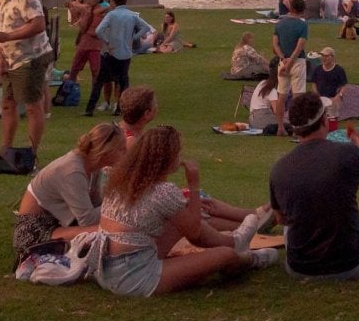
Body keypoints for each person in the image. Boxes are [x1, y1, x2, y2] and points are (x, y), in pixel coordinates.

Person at [91, 125, 276, 295]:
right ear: (167, 159)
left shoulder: (121, 180)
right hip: (132, 278)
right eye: (177, 153)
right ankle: (249, 258)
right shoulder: (162, 191)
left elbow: (186, 225)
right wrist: (193, 185)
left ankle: (235, 242)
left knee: (182, 217)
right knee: (224, 255)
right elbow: (194, 231)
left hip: (106, 267)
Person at [269, 92, 359, 280]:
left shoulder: (279, 168)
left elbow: (281, 219)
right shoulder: (347, 153)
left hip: (298, 267)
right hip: (348, 265)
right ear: (324, 120)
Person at [13, 122, 129, 264]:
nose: (126, 154)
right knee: (107, 232)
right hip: (34, 231)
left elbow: (97, 206)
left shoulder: (92, 165)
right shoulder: (73, 171)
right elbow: (88, 220)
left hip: (55, 224)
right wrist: (120, 203)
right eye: (122, 150)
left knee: (115, 227)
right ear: (107, 151)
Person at [0, 0, 53, 171]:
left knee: (33, 106)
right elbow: (1, 27)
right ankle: (6, 149)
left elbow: (38, 24)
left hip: (30, 57)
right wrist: (1, 55)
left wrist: (7, 36)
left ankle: (32, 153)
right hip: (11, 59)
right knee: (8, 104)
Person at [92, 0, 153, 118]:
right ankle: (119, 105)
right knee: (122, 80)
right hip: (125, 52)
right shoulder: (132, 15)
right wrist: (134, 37)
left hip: (110, 51)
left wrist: (108, 41)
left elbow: (99, 31)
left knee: (103, 79)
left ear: (114, 1)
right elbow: (146, 28)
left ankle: (100, 105)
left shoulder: (111, 15)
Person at [66, 0, 105, 97]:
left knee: (95, 72)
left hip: (94, 46)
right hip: (84, 44)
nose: (87, 0)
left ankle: (94, 95)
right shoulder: (88, 8)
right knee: (74, 69)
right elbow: (76, 5)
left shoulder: (101, 12)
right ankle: (70, 92)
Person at [273, 0, 311, 95]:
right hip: (297, 62)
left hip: (283, 61)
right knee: (298, 95)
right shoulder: (303, 25)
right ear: (302, 10)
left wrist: (282, 57)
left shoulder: (280, 24)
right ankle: (295, 111)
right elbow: (299, 48)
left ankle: (278, 111)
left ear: (291, 8)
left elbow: (275, 44)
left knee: (281, 94)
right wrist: (290, 63)